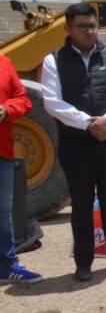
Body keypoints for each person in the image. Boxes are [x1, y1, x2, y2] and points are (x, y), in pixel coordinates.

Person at [41, 2, 106, 281]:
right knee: (82, 203)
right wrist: (88, 124)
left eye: (93, 26)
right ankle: (83, 262)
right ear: (67, 28)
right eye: (82, 26)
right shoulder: (53, 61)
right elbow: (52, 102)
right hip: (75, 143)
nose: (89, 31)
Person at [0, 53, 41, 285]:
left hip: (2, 153)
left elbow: (22, 99)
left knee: (3, 213)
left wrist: (6, 110)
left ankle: (6, 266)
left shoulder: (4, 63)